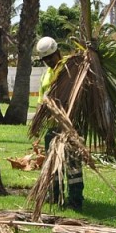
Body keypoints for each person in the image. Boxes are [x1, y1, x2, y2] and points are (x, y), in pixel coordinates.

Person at [36, 37, 84, 210]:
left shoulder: (70, 67)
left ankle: (75, 200)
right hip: (51, 126)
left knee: (73, 165)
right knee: (53, 164)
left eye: (50, 57)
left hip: (71, 125)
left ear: (57, 52)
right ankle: (54, 196)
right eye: (45, 59)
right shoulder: (46, 74)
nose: (48, 61)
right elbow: (42, 99)